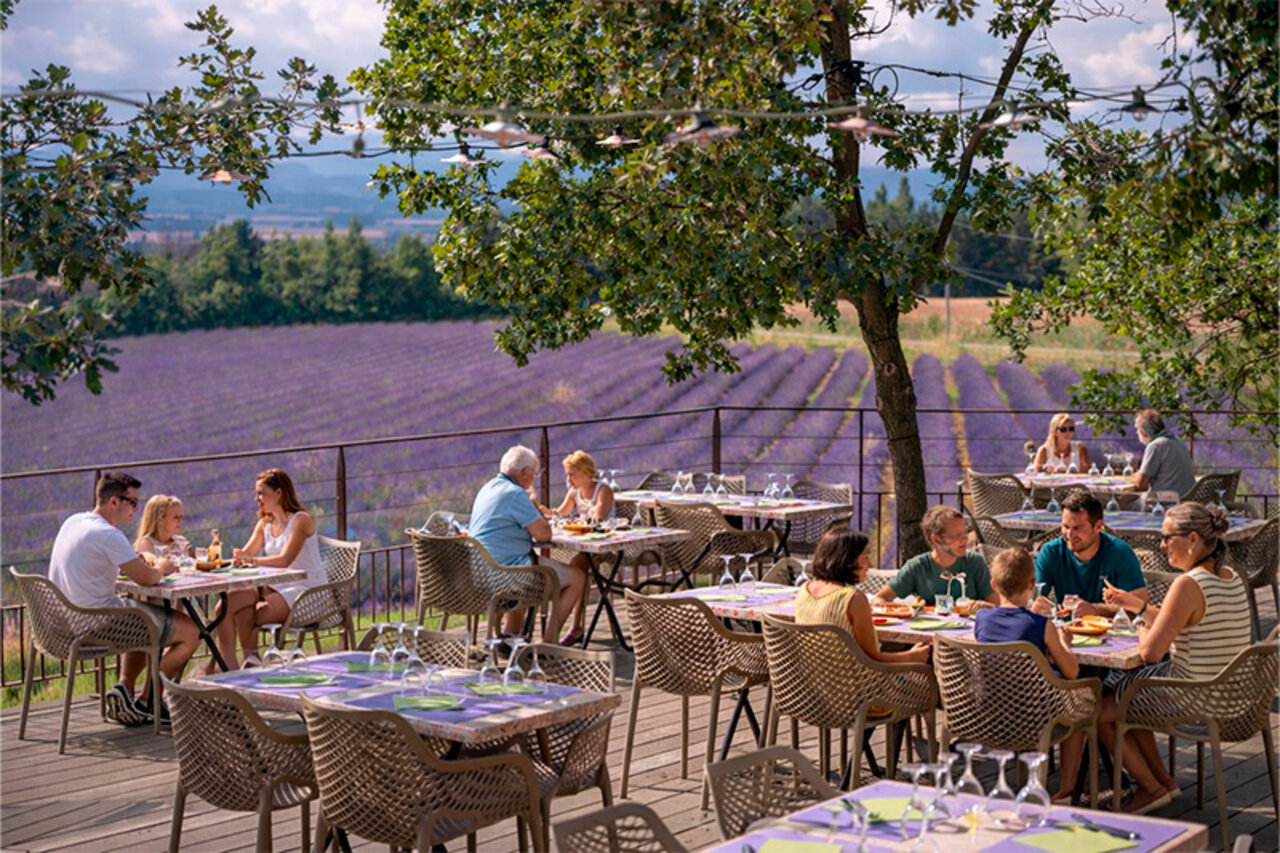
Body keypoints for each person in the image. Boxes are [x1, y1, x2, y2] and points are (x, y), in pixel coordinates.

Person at [1097, 502, 1250, 814]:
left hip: (1194, 699)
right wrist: (1134, 605)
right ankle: (1163, 782)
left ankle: (1149, 788)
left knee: (1097, 709)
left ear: (1192, 539)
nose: (1162, 544)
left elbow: (1149, 652)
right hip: (1232, 695)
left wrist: (1139, 624)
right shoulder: (1231, 576)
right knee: (1128, 695)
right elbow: (1184, 619)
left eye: (1167, 537)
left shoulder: (1188, 584)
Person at [47, 472, 199, 725]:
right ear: (114, 502)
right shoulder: (109, 535)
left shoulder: (74, 521)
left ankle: (125, 691)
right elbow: (149, 579)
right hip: (95, 624)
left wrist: (137, 564)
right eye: (132, 502)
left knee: (145, 618)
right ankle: (151, 699)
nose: (137, 509)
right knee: (190, 632)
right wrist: (162, 566)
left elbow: (96, 564)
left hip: (61, 622)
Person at [974, 548, 1082, 803]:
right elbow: (1072, 671)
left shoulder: (982, 619)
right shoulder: (1041, 625)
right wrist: (1065, 643)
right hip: (1035, 714)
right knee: (1079, 700)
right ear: (1032, 585)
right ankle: (1067, 789)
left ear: (993, 584)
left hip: (989, 711)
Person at [469, 445, 586, 641]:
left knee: (523, 557)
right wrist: (533, 505)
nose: (534, 479)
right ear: (524, 473)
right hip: (505, 576)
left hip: (478, 571)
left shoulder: (487, 488)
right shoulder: (515, 494)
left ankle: (511, 636)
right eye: (534, 474)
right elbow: (543, 535)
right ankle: (548, 644)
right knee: (577, 578)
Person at [218, 468, 327, 669]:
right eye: (256, 493)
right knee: (225, 605)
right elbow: (247, 553)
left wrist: (252, 561)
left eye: (261, 493)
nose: (256, 499)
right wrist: (240, 556)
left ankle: (251, 661)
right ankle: (231, 664)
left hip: (308, 590)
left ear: (279, 493)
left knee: (252, 612)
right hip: (277, 587)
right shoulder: (264, 524)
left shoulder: (301, 520)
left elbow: (285, 560)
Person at [795, 528, 931, 665]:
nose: (870, 565)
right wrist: (912, 656)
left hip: (814, 681)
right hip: (857, 683)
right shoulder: (853, 599)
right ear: (847, 560)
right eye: (865, 557)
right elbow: (872, 658)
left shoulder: (804, 589)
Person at [1033, 492, 1147, 618]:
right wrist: (1043, 607)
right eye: (1066, 527)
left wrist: (1094, 609)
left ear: (1098, 527)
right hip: (1065, 631)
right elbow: (1034, 597)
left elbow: (1141, 603)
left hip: (1110, 632)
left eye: (1077, 528)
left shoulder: (1119, 552)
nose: (1070, 535)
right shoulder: (1051, 552)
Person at [541, 450, 612, 645]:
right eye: (567, 474)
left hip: (606, 546)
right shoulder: (574, 493)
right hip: (586, 547)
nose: (568, 479)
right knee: (578, 567)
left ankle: (574, 628)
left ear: (586, 472)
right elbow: (561, 513)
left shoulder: (603, 490)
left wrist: (580, 518)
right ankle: (574, 627)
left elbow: (598, 517)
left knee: (577, 566)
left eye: (572, 474)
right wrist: (548, 512)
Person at [875, 505, 998, 607]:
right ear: (936, 539)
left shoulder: (974, 562)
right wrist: (906, 608)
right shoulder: (918, 567)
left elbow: (997, 605)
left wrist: (983, 606)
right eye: (955, 536)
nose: (964, 540)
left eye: (965, 534)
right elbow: (879, 599)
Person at [1132, 409, 1196, 496]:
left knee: (1124, 501)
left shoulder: (1156, 445)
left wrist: (1136, 477)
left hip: (1165, 501)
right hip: (1188, 498)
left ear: (1143, 431)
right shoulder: (1177, 441)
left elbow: (1141, 485)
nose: (1136, 432)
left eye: (1137, 429)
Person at [134, 495, 194, 570]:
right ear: (160, 519)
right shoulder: (146, 544)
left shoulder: (181, 541)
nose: (180, 521)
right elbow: (151, 570)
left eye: (181, 516)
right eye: (175, 517)